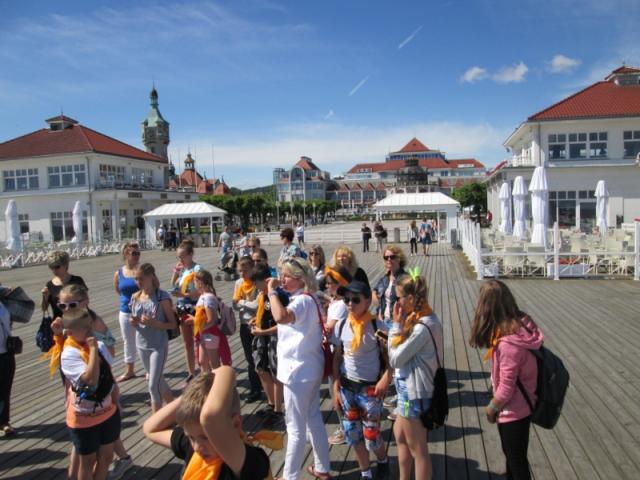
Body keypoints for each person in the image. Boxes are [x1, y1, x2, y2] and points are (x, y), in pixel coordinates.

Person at [469, 280, 543, 480]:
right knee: (514, 457)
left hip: (513, 411)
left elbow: (506, 389)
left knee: (516, 461)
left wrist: (492, 408)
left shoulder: (509, 345)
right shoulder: (521, 326)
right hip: (523, 404)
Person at [57, 285, 133, 480]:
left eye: (72, 304)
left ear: (85, 301)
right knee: (87, 459)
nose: (67, 309)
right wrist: (91, 350)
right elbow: (89, 380)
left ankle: (119, 461)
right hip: (84, 411)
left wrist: (115, 399)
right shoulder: (72, 349)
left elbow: (107, 369)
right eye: (62, 305)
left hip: (105, 406)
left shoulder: (94, 331)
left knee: (105, 456)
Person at [143, 367, 271, 479]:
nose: (196, 447)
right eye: (191, 437)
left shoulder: (244, 461)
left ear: (236, 424)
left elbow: (211, 418)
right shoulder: (195, 446)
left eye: (206, 437)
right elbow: (150, 429)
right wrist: (189, 397)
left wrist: (224, 370)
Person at [268, 259, 331, 480]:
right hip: (310, 368)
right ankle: (323, 467)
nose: (282, 279)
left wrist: (271, 292)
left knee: (295, 428)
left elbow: (280, 316)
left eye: (287, 276)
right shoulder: (310, 298)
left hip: (298, 372)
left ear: (301, 279)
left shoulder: (302, 301)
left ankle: (290, 477)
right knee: (313, 419)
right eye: (282, 275)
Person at [332, 280, 391, 480]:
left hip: (370, 390)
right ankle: (365, 472)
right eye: (346, 299)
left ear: (367, 301)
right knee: (352, 433)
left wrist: (386, 379)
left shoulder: (377, 326)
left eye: (355, 299)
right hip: (347, 388)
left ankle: (382, 460)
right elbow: (337, 357)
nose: (350, 303)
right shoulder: (341, 325)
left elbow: (390, 359)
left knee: (371, 435)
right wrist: (335, 386)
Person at [388, 274, 443, 480]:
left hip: (415, 392)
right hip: (407, 388)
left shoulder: (422, 326)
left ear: (410, 298)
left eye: (399, 297)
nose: (396, 302)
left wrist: (395, 327)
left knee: (418, 449)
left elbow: (395, 359)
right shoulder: (416, 319)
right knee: (401, 437)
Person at [130, 263, 177, 412]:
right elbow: (135, 320)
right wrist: (133, 321)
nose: (138, 282)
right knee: (159, 382)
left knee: (152, 385)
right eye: (136, 279)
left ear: (151, 276)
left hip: (158, 345)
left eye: (141, 278)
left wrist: (154, 323)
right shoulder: (135, 297)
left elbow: (173, 324)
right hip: (141, 344)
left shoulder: (161, 297)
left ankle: (156, 419)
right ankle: (176, 411)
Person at [248, 262, 284, 427]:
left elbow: (282, 323)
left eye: (256, 282)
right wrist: (256, 320)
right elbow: (266, 314)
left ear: (265, 280)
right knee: (261, 369)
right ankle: (271, 403)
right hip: (263, 337)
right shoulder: (263, 295)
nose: (254, 285)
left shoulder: (277, 295)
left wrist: (263, 331)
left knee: (276, 373)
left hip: (273, 338)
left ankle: (278, 410)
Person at [323, 266, 352, 446]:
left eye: (330, 283)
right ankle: (346, 426)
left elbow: (329, 328)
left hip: (338, 351)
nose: (327, 286)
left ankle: (345, 428)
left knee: (337, 391)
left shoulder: (341, 305)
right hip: (336, 348)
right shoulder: (337, 302)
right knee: (336, 390)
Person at [171, 240, 201, 384]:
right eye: (178, 257)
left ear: (190, 254)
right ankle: (191, 373)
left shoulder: (197, 269)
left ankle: (203, 371)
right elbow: (173, 284)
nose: (180, 259)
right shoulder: (182, 269)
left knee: (199, 341)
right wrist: (176, 273)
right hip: (182, 307)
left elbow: (200, 291)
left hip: (194, 308)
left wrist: (183, 295)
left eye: (182, 256)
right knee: (187, 343)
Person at [232, 257, 262, 403]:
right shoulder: (239, 283)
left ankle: (263, 384)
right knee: (250, 358)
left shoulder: (257, 283)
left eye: (245, 271)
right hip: (244, 324)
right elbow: (234, 305)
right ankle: (255, 388)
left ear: (252, 269)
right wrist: (245, 304)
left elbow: (257, 306)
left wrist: (242, 302)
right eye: (240, 271)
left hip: (257, 324)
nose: (242, 274)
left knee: (260, 357)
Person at [188, 269, 231, 371]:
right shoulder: (203, 296)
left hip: (210, 334)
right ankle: (209, 380)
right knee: (203, 361)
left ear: (200, 283)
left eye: (194, 282)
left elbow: (211, 320)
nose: (194, 285)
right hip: (205, 333)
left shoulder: (208, 298)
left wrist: (194, 320)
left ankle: (217, 380)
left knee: (214, 364)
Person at [113, 242, 140, 382]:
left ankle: (149, 369)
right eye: (134, 253)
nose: (137, 256)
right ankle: (130, 370)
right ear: (125, 254)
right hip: (125, 311)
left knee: (144, 340)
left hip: (142, 311)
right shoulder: (118, 273)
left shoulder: (142, 271)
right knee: (128, 341)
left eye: (138, 253)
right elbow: (119, 290)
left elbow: (155, 286)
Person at [42, 250, 87, 320]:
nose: (54, 270)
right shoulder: (49, 285)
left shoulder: (77, 281)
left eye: (57, 267)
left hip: (78, 321)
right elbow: (44, 309)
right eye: (51, 267)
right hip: (59, 323)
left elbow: (86, 302)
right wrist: (45, 297)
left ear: (66, 265)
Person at [373, 246, 408, 331]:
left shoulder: (405, 279)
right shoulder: (385, 278)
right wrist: (380, 308)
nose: (388, 259)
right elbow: (374, 292)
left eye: (392, 257)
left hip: (397, 322)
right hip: (383, 320)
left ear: (399, 259)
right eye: (386, 257)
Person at [0, 286, 16, 437]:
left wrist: (12, 294)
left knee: (5, 388)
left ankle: (4, 421)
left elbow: (24, 312)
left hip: (6, 350)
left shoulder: (3, 298)